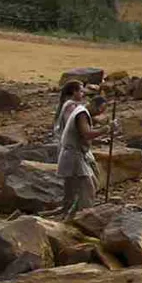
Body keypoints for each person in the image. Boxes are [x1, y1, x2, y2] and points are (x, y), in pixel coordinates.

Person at [52, 78, 99, 218]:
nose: (83, 93)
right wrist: (106, 129)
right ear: (73, 92)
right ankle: (83, 216)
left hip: (69, 149)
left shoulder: (66, 106)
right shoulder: (72, 108)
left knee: (72, 185)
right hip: (74, 151)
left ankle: (69, 211)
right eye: (81, 90)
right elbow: (81, 131)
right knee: (88, 186)